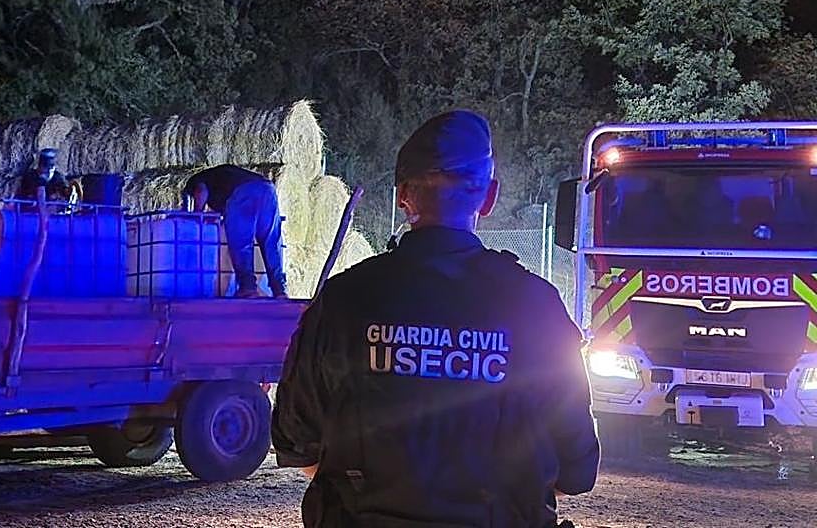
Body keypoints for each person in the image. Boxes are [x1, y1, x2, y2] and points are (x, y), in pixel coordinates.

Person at [272, 110, 599, 527]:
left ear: (403, 196)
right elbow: (577, 469)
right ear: (489, 197)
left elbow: (296, 443)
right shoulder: (536, 305)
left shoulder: (343, 299)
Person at [183, 164, 288, 298]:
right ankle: (279, 290)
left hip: (242, 193)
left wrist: (197, 215)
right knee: (271, 242)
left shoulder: (196, 180)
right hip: (267, 189)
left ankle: (247, 287)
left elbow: (201, 192)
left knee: (241, 242)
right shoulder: (222, 177)